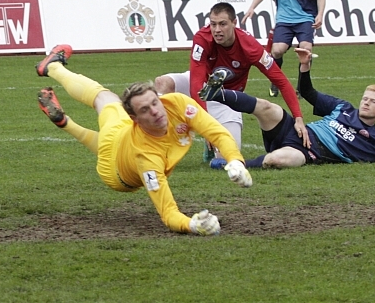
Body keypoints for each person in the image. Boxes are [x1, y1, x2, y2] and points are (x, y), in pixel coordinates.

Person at [35, 44, 252, 235]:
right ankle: (63, 108)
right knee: (105, 137)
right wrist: (192, 225)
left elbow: (217, 133)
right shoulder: (146, 157)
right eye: (145, 110)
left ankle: (53, 71)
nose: (155, 111)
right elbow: (168, 213)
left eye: (155, 103)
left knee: (104, 97)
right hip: (115, 173)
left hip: (125, 137)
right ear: (134, 118)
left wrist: (235, 160)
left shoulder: (177, 103)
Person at [198, 48, 375, 170]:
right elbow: (308, 93)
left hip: (308, 152)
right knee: (267, 106)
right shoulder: (343, 108)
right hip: (295, 131)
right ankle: (216, 93)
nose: (366, 102)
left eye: (373, 102)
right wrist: (305, 67)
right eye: (365, 98)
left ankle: (234, 165)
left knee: (277, 160)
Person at [155, 2, 308, 168]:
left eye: (222, 24)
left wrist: (298, 118)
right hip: (203, 87)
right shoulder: (202, 38)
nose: (217, 30)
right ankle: (157, 144)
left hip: (227, 99)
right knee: (163, 83)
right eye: (213, 24)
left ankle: (212, 148)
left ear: (234, 23)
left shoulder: (250, 46)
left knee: (227, 159)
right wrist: (205, 125)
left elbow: (281, 81)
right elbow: (197, 83)